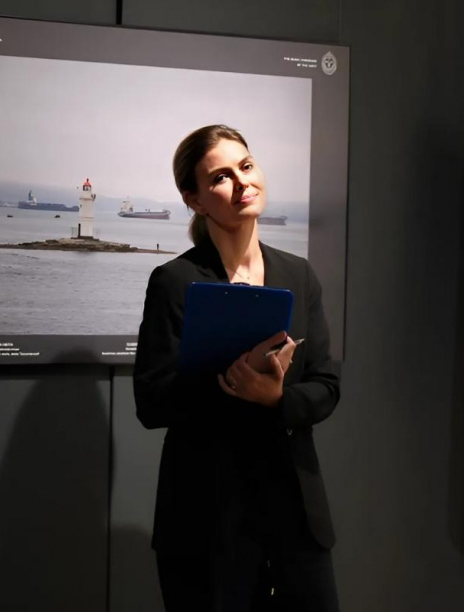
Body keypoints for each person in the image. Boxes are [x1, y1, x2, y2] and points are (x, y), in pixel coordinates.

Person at [133, 125, 341, 611]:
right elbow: (151, 401)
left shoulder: (298, 274)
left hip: (295, 515)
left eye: (246, 166)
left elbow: (327, 387)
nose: (242, 182)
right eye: (221, 177)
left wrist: (275, 398)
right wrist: (234, 381)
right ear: (196, 200)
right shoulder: (175, 281)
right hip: (206, 520)